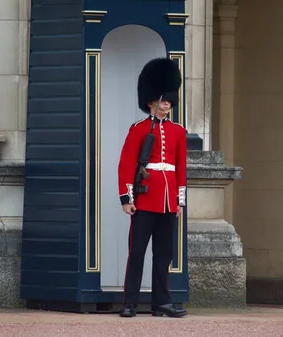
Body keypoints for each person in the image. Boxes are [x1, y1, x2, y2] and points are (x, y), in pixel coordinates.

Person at [117, 58, 188, 318]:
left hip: (168, 201)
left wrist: (179, 200)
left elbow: (180, 168)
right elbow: (125, 165)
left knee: (163, 255)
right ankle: (130, 302)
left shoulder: (178, 131)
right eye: (162, 99)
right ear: (150, 101)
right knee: (137, 253)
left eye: (169, 100)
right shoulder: (137, 130)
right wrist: (127, 197)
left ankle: (162, 303)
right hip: (145, 200)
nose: (166, 104)